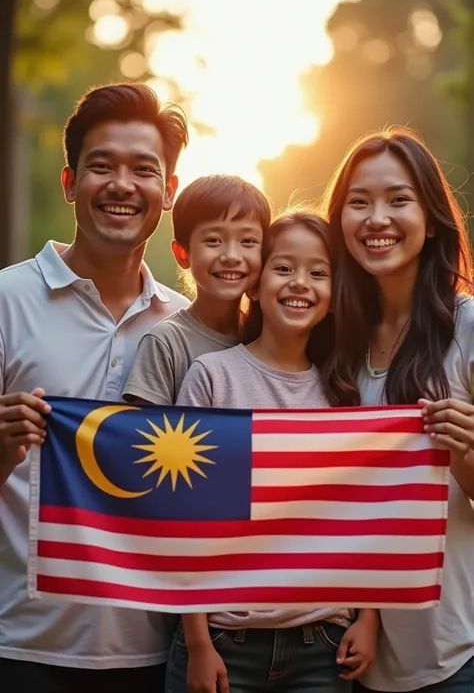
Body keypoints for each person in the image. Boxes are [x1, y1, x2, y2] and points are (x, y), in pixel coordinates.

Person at [0, 82, 190, 691]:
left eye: (144, 170)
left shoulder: (189, 327)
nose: (121, 185)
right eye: (100, 166)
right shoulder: (6, 301)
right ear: (68, 183)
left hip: (153, 655)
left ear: (169, 194)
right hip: (20, 648)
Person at [170, 211, 379, 693]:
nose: (300, 284)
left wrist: (369, 618)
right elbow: (185, 516)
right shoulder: (211, 377)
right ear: (255, 284)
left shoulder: (345, 393)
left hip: (324, 646)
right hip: (223, 640)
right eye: (283, 268)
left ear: (333, 297)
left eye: (318, 272)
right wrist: (198, 642)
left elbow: (363, 519)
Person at [323, 126, 474, 692]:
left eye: (398, 199)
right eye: (358, 203)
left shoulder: (467, 327)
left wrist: (464, 454)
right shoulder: (331, 340)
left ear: (431, 217)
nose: (376, 218)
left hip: (454, 653)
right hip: (346, 659)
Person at [123, 174, 272, 407]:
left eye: (248, 241)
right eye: (213, 240)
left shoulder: (267, 336)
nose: (231, 256)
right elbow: (145, 437)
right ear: (183, 254)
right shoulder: (166, 343)